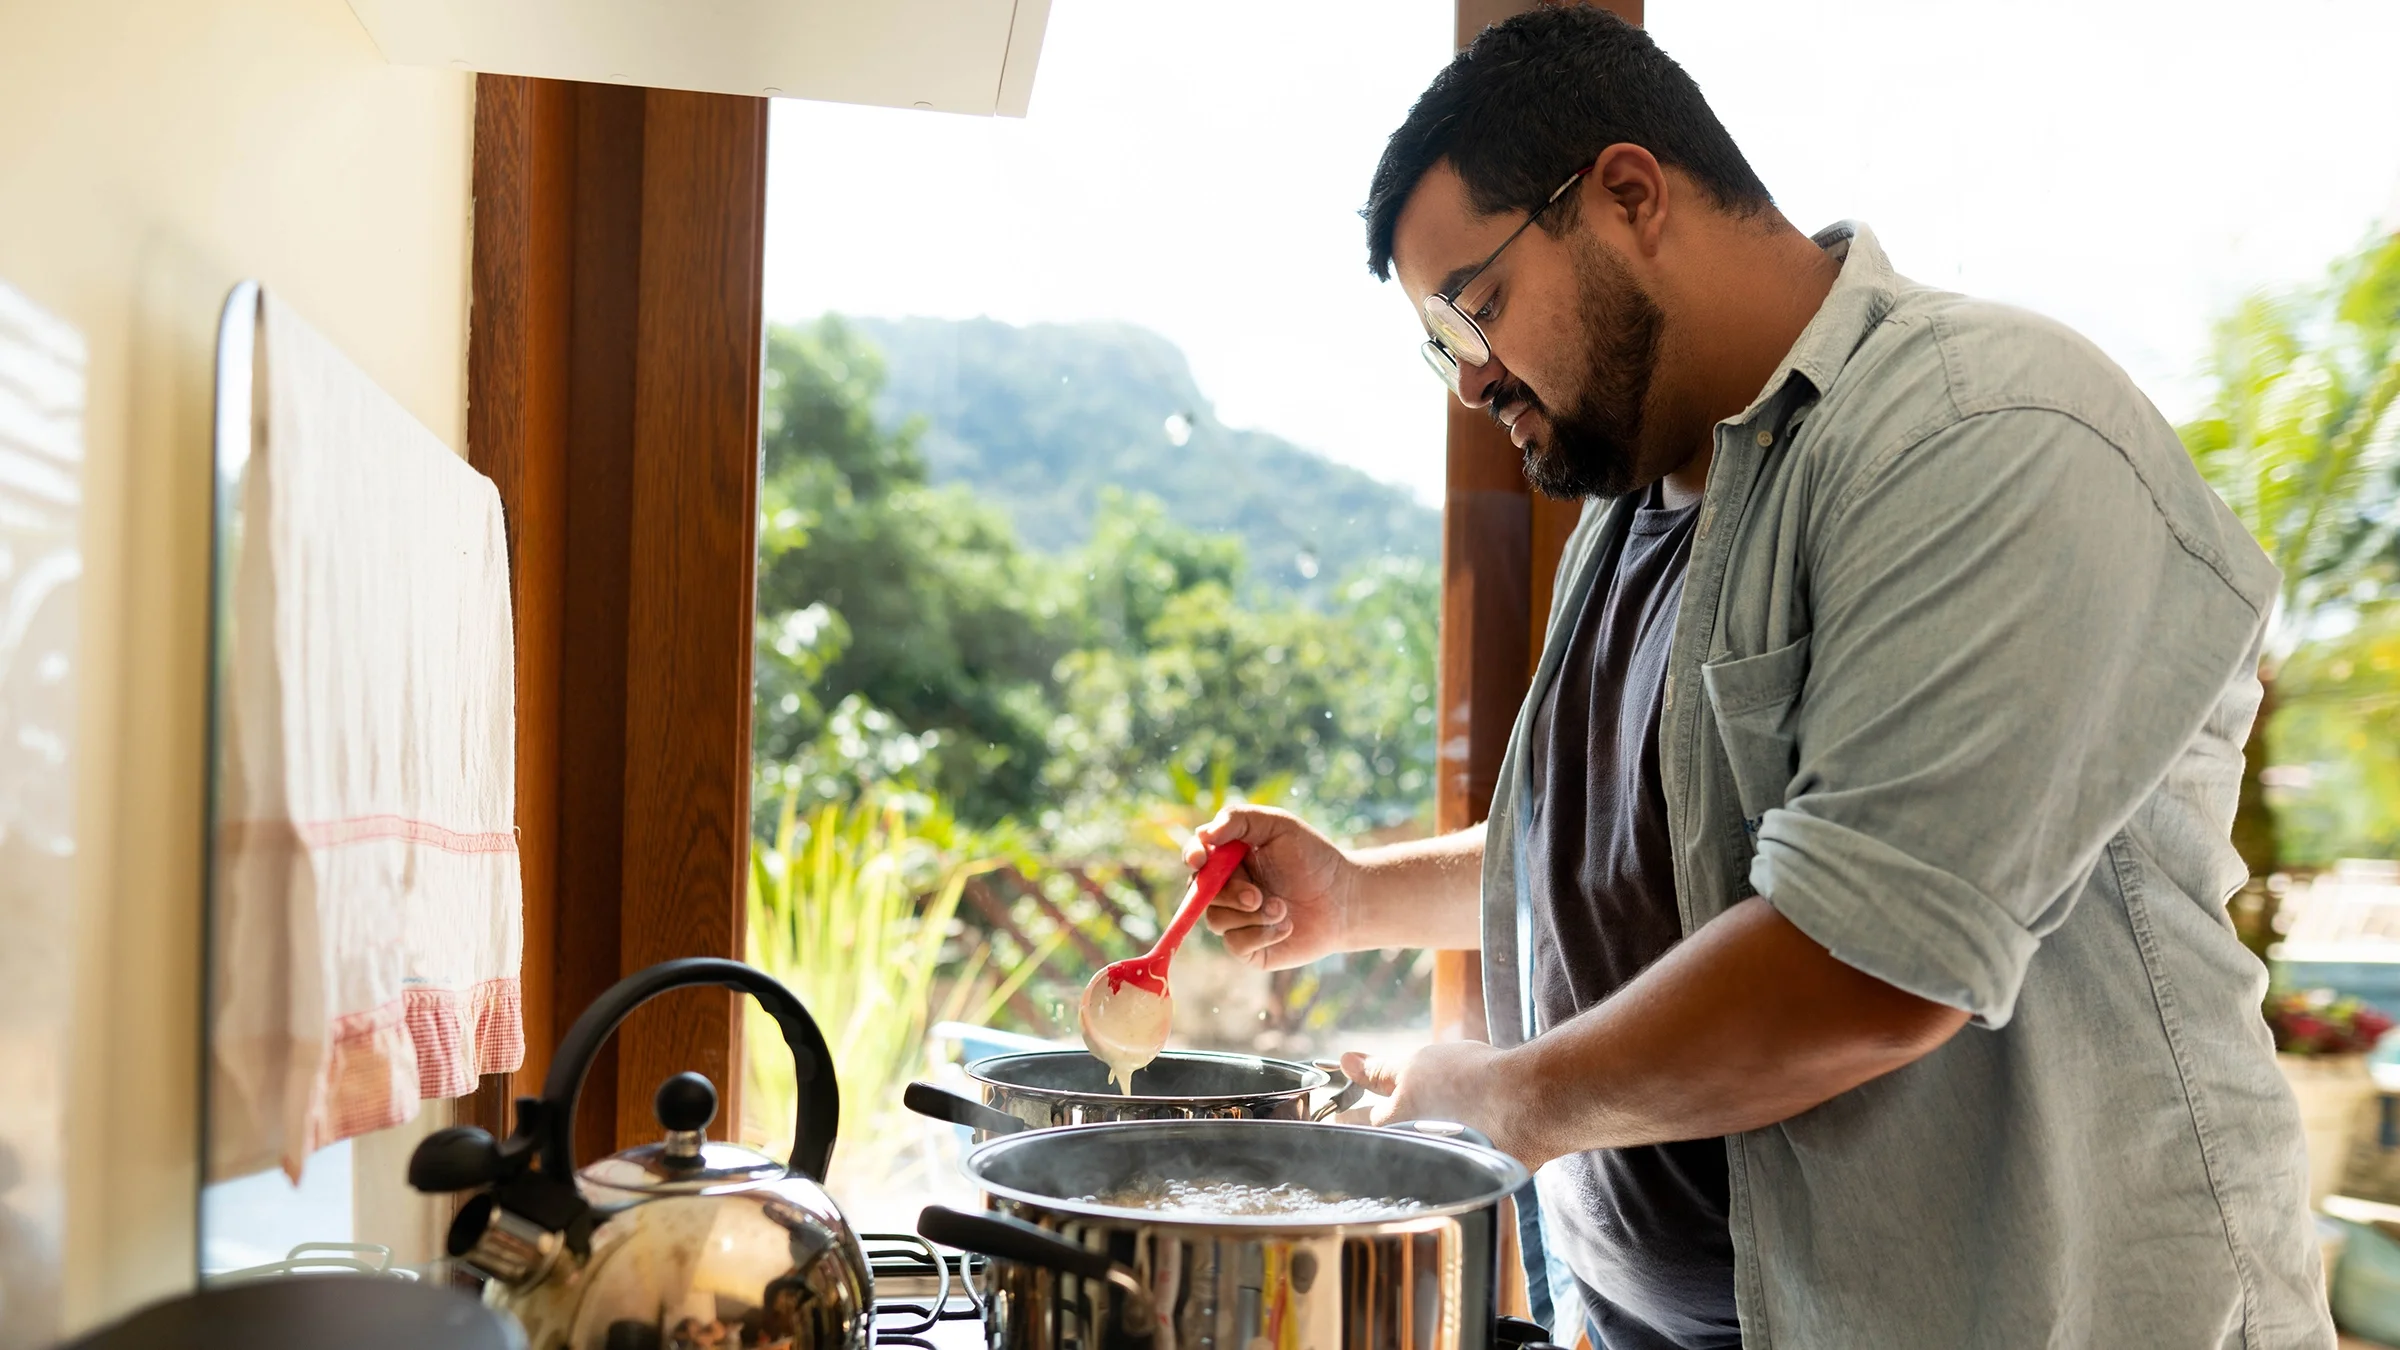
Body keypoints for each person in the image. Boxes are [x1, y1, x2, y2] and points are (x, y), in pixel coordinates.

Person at [1194, 8, 2327, 1348]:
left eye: (1477, 307)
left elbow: (1867, 964)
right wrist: (1361, 895)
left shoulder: (1984, 431)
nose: (1472, 380)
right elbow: (1659, 841)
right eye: (1440, 344)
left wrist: (1504, 1098)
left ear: (1627, 194)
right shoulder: (1630, 511)